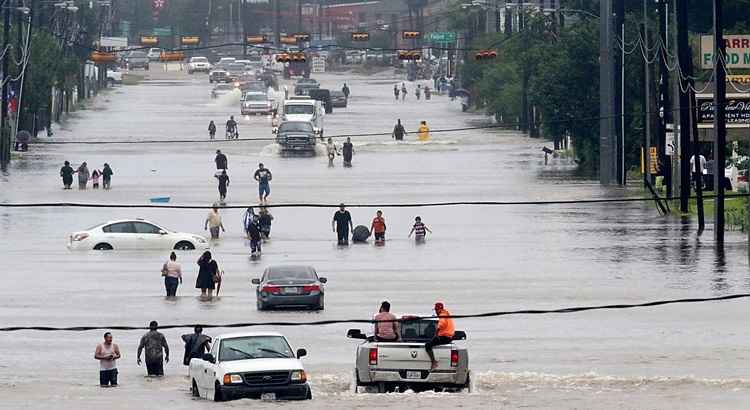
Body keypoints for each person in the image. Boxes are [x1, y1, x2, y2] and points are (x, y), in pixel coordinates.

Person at [425, 302, 455, 369]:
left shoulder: (443, 315)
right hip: (448, 337)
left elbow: (441, 324)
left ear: (439, 309)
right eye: (435, 310)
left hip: (445, 337)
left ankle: (434, 362)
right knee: (431, 342)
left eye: (436, 310)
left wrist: (436, 333)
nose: (436, 312)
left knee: (427, 345)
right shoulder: (446, 314)